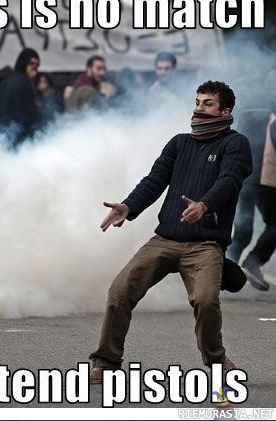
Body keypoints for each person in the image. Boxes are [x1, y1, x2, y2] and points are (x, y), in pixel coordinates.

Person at [88, 81, 253, 383]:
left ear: (225, 111)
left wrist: (204, 205)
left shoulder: (236, 144)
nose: (199, 108)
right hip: (164, 239)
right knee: (119, 292)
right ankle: (106, 362)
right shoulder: (179, 143)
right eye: (197, 102)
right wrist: (129, 206)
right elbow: (154, 180)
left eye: (208, 103)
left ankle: (216, 361)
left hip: (205, 244)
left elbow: (230, 180)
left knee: (205, 300)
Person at [228, 105, 276, 290]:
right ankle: (252, 262)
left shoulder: (252, 116)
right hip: (262, 180)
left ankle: (222, 268)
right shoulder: (269, 122)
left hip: (242, 176)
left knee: (243, 231)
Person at [0, 48, 41, 144]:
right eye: (31, 64)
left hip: (2, 134)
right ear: (23, 62)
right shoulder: (22, 82)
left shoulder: (10, 79)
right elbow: (24, 114)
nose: (34, 68)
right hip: (17, 136)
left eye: (37, 65)